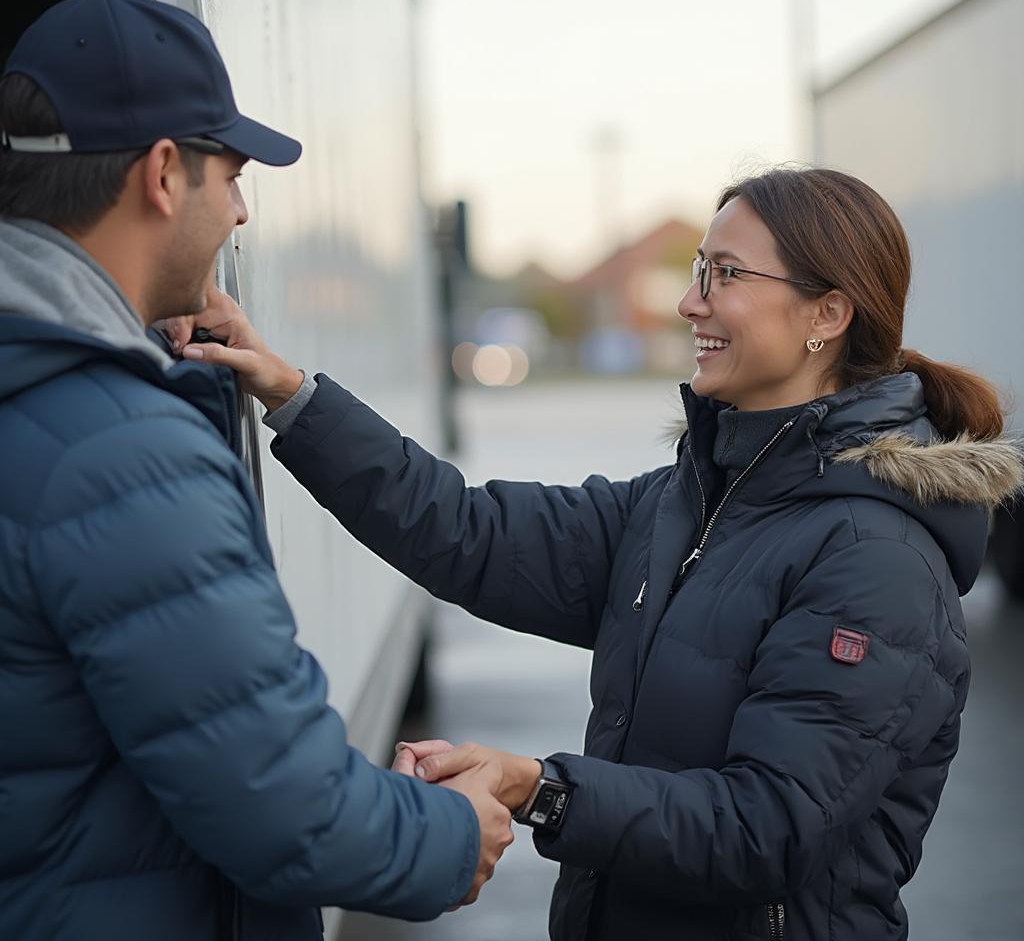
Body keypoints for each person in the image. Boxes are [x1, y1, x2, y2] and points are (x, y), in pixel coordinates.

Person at [174, 168, 1022, 941]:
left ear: (827, 316)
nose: (691, 303)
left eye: (726, 274)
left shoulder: (876, 558)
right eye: (698, 270)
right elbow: (465, 532)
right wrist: (291, 393)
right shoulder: (680, 502)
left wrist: (539, 787)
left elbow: (764, 828)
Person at [0, 0, 514, 941]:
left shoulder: (44, 391)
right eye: (230, 174)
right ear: (162, 174)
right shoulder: (120, 450)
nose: (239, 212)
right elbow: (288, 807)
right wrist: (453, 831)